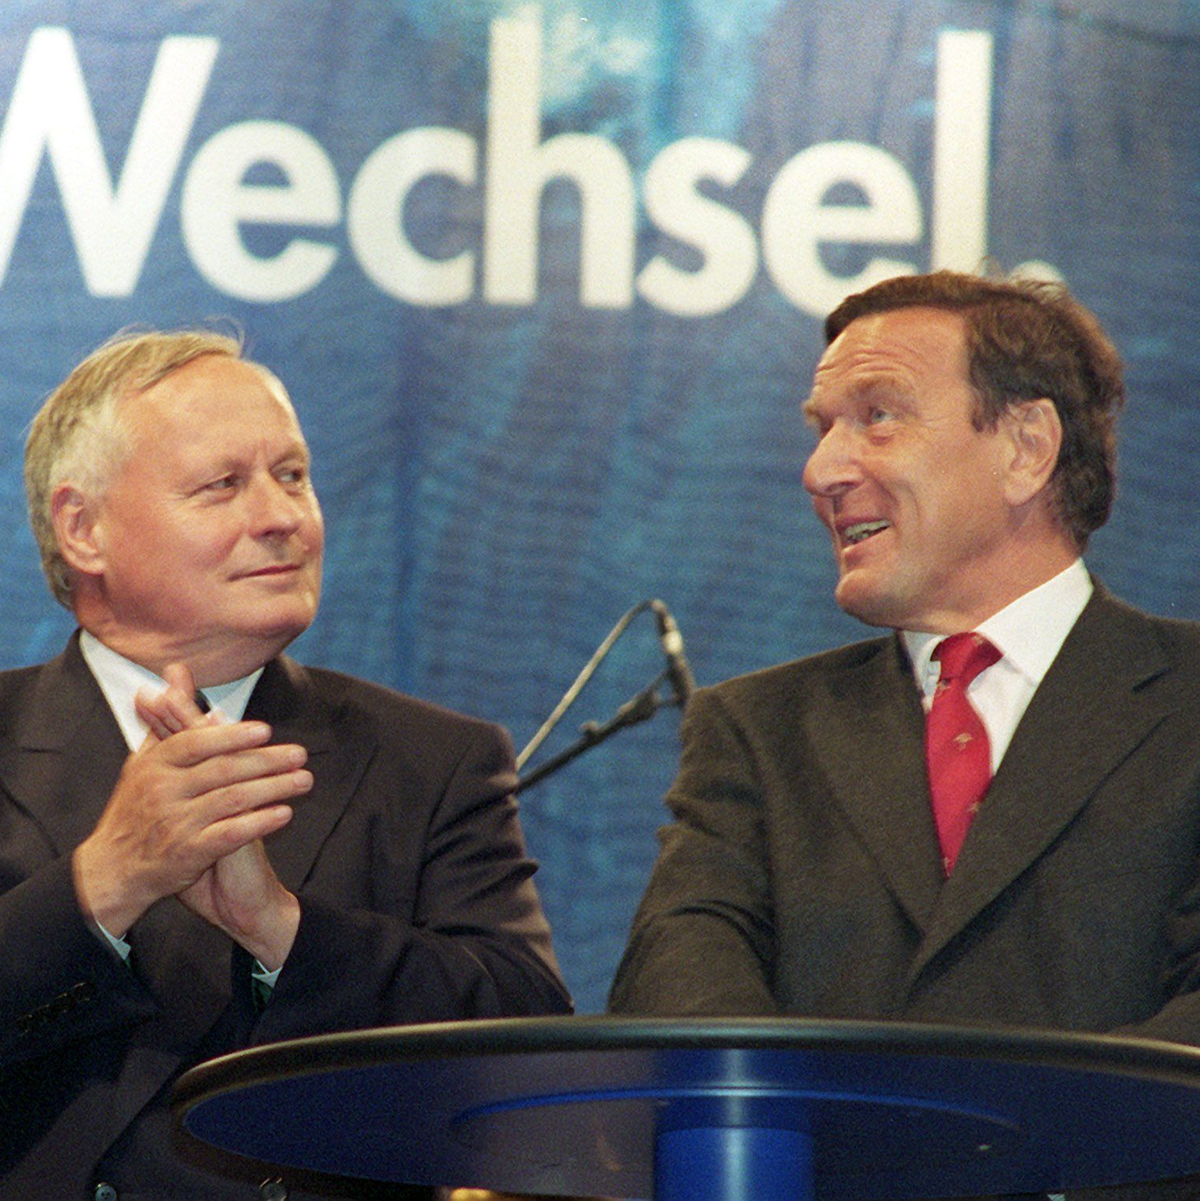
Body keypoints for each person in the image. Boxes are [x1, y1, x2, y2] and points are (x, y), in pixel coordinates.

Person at [609, 271, 1200, 1197]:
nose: (822, 469)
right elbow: (683, 997)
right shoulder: (755, 734)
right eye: (821, 427)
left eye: (877, 416)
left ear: (1026, 447)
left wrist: (994, 1153)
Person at [0, 330, 571, 1199]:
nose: (281, 517)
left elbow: (529, 1053)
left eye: (293, 475)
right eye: (223, 485)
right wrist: (101, 886)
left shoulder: (434, 760)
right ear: (84, 529)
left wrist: (284, 931)